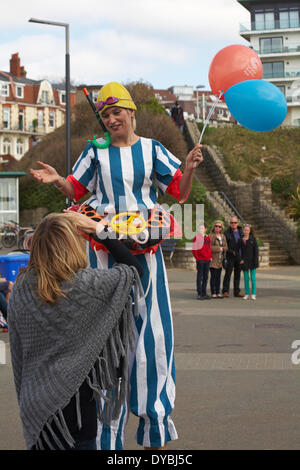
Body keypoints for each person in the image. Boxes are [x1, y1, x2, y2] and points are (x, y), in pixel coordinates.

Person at [29, 81, 203, 450]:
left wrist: (188, 168)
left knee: (153, 329)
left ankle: (155, 425)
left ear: (131, 113)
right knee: (106, 333)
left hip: (144, 241)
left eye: (116, 113)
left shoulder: (153, 149)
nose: (111, 120)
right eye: (105, 115)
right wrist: (58, 179)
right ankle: (107, 437)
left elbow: (179, 192)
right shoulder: (96, 152)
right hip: (104, 243)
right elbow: (77, 191)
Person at [8, 211, 144, 450]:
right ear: (73, 245)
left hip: (36, 405)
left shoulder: (21, 287)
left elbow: (18, 350)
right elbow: (133, 270)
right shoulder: (89, 286)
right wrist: (100, 231)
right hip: (77, 412)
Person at [222, 216, 244, 298]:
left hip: (239, 256)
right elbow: (225, 245)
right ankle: (225, 291)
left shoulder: (241, 231)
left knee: (237, 274)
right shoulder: (226, 233)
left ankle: (236, 291)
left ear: (237, 223)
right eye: (232, 223)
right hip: (230, 256)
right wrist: (231, 251)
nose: (233, 224)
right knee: (228, 274)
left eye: (235, 222)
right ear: (229, 223)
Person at [192, 223, 212, 300]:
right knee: (199, 277)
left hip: (207, 260)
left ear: (205, 229)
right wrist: (198, 258)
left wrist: (210, 257)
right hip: (200, 260)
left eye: (202, 228)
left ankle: (204, 293)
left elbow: (209, 248)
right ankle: (199, 293)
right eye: (200, 228)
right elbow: (194, 250)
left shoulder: (207, 238)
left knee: (206, 277)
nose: (201, 230)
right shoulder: (196, 238)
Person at [240, 223, 259, 300]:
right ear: (243, 231)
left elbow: (256, 251)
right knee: (246, 278)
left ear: (250, 231)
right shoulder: (241, 239)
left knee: (253, 278)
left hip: (252, 261)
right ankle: (247, 293)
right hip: (244, 262)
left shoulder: (253, 239)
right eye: (245, 230)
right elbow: (237, 250)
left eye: (248, 230)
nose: (246, 231)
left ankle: (253, 294)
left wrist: (256, 261)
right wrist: (240, 259)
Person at [209, 220, 228, 299]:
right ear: (214, 227)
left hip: (220, 260)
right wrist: (218, 249)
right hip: (213, 259)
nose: (217, 228)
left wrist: (223, 249)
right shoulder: (210, 236)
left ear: (221, 228)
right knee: (213, 276)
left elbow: (226, 247)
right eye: (216, 226)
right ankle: (213, 292)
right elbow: (209, 248)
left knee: (218, 277)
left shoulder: (223, 236)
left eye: (219, 226)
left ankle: (217, 292)